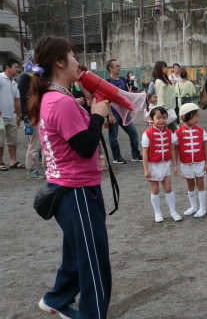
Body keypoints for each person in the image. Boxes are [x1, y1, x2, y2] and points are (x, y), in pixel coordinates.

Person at [30, 36, 111, 318]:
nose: (78, 61)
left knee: (78, 255)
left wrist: (91, 110)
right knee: (93, 261)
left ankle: (57, 299)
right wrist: (98, 115)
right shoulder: (60, 101)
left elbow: (76, 141)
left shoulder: (56, 97)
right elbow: (85, 145)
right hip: (77, 191)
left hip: (70, 189)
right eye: (73, 56)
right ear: (60, 62)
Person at [142, 105, 182, 223]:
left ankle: (173, 211)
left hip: (165, 165)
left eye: (164, 117)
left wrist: (175, 165)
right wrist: (146, 169)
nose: (161, 120)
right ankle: (158, 213)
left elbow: (172, 149)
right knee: (155, 190)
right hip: (152, 166)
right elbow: (144, 153)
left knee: (168, 188)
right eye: (158, 117)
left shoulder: (169, 132)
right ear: (151, 118)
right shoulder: (147, 133)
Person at [103, 59, 143, 164]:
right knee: (113, 137)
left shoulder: (122, 80)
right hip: (114, 114)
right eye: (116, 66)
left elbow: (126, 96)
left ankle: (136, 155)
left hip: (124, 114)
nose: (119, 67)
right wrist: (110, 115)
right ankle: (117, 158)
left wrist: (130, 110)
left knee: (133, 133)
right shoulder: (107, 82)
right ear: (110, 68)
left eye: (119, 65)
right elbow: (106, 100)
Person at [174, 103, 207, 218]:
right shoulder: (177, 133)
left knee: (200, 182)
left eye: (198, 116)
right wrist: (175, 165)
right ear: (184, 117)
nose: (197, 119)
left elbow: (205, 147)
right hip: (186, 163)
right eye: (194, 117)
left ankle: (203, 208)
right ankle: (193, 206)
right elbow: (175, 149)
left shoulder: (201, 131)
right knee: (189, 183)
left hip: (199, 162)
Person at [18, 60, 45, 178]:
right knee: (35, 144)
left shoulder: (31, 79)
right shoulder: (25, 78)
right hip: (32, 115)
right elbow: (25, 98)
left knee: (42, 143)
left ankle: (44, 167)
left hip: (39, 114)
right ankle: (31, 170)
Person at [0, 58, 23, 171]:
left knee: (12, 140)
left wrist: (18, 115)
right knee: (0, 140)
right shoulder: (0, 78)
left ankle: (13, 161)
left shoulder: (14, 83)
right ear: (7, 67)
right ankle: (0, 162)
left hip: (12, 116)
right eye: (15, 66)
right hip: (0, 116)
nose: (17, 69)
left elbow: (17, 100)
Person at [152, 61, 178, 130]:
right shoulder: (159, 81)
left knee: (171, 129)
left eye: (166, 67)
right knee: (165, 127)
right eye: (164, 67)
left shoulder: (166, 79)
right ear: (159, 69)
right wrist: (162, 110)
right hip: (166, 108)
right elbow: (160, 97)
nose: (166, 68)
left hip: (170, 106)